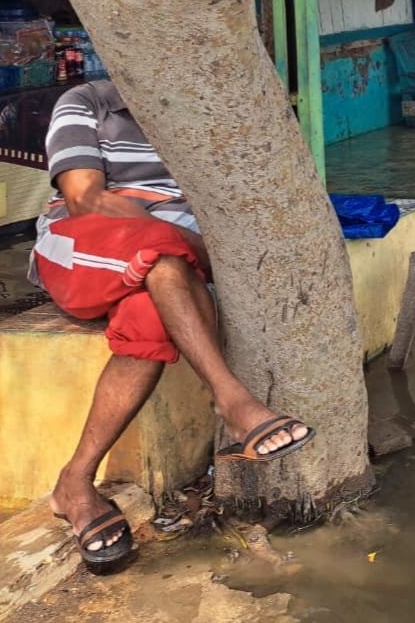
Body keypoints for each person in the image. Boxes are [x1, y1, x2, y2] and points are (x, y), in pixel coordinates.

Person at [29, 80, 314, 567]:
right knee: (161, 249)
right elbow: (84, 198)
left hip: (168, 268)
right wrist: (205, 251)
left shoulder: (206, 106)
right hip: (81, 247)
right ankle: (230, 397)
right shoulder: (87, 102)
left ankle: (75, 484)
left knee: (154, 305)